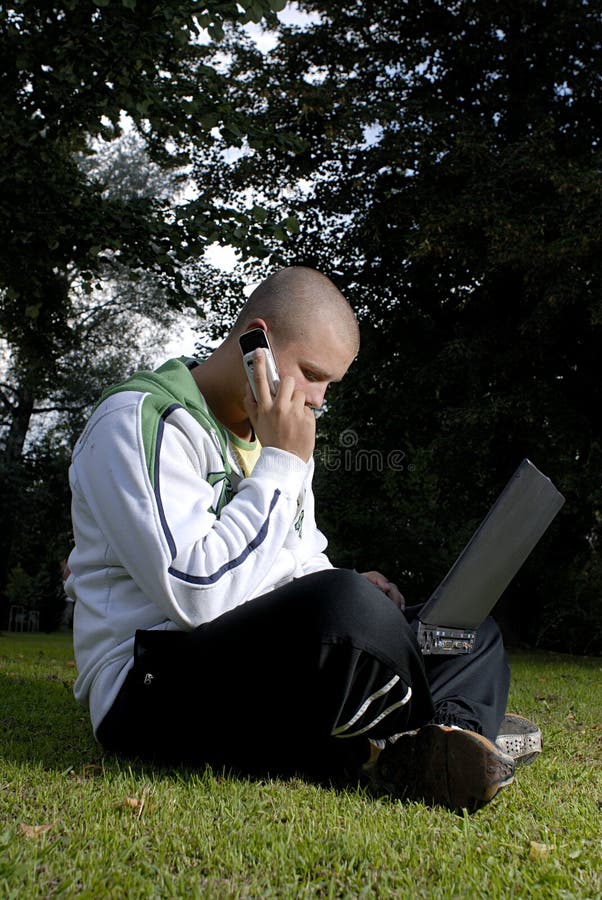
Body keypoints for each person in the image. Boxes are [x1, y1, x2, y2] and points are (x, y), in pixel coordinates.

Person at [66, 266, 538, 811]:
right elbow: (197, 593)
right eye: (312, 374)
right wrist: (283, 464)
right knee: (348, 611)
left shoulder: (279, 441)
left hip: (254, 665)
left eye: (328, 386)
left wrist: (344, 583)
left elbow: (299, 560)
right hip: (148, 686)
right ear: (256, 342)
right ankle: (434, 722)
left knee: (464, 629)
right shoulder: (139, 419)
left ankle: (449, 744)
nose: (316, 401)